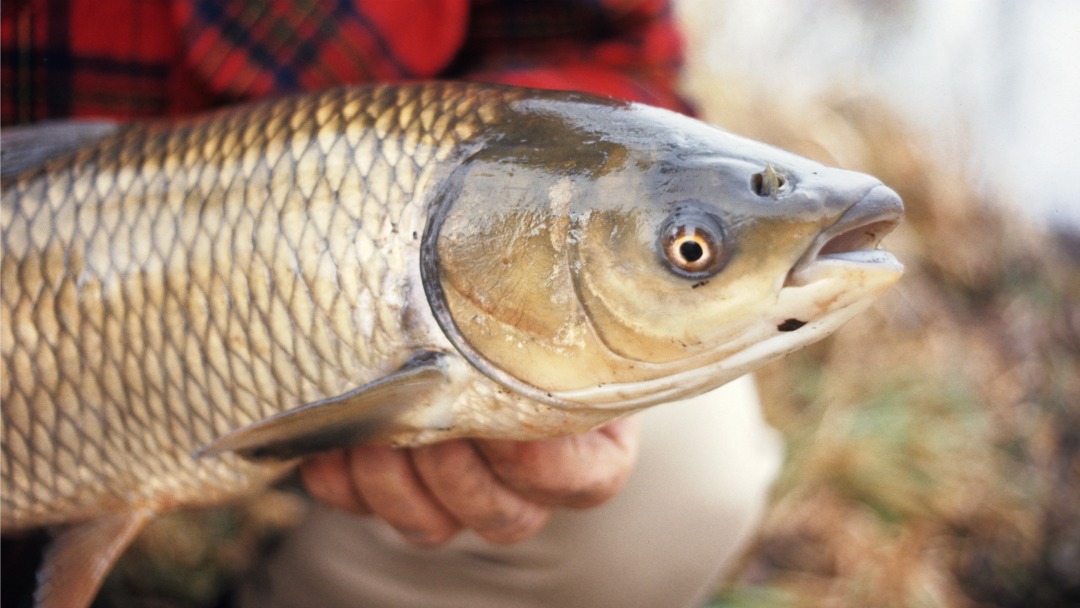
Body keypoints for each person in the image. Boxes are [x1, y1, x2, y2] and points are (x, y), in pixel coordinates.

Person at [1, 1, 783, 606]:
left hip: (351, 301)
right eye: (691, 250)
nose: (691, 253)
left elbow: (600, 44)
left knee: (681, 477)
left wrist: (552, 172)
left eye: (690, 250)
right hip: (50, 283)